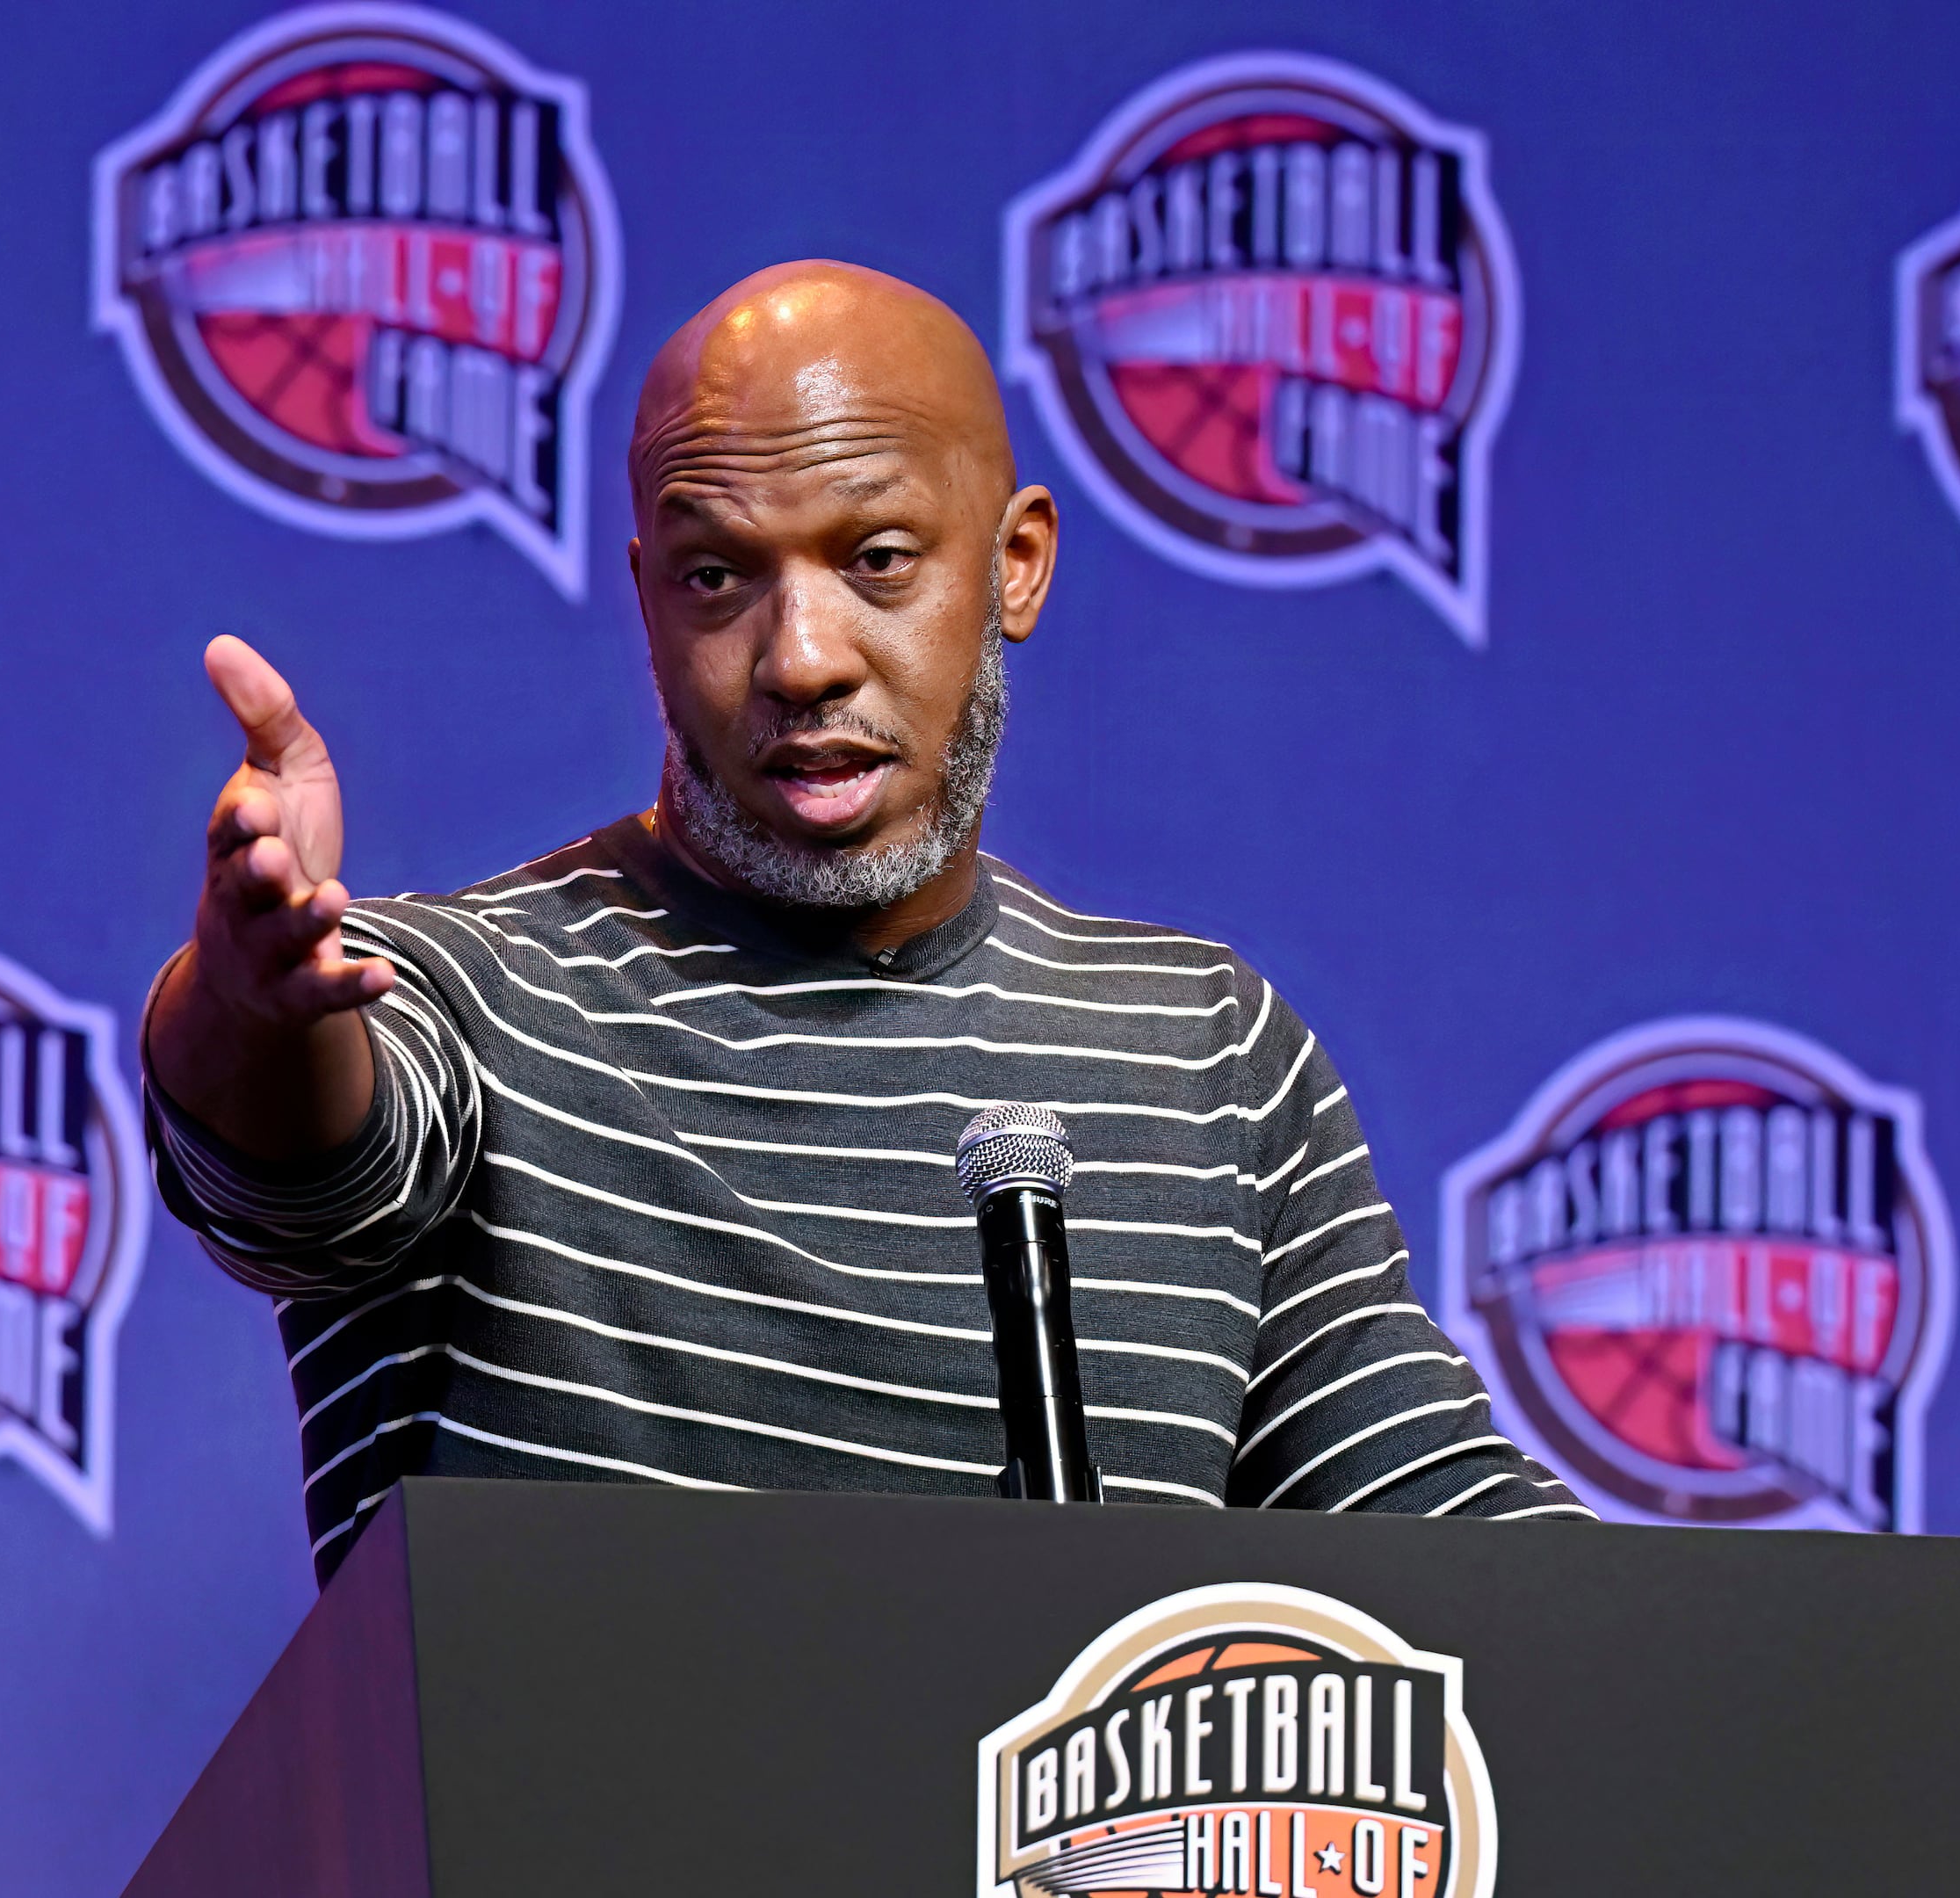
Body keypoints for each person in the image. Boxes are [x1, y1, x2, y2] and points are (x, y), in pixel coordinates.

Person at [143, 261, 1588, 1576]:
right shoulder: (470, 995)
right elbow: (304, 1173)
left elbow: (1463, 1563)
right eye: (719, 576)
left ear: (1015, 564)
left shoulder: (1203, 1053)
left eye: (879, 560)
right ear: (646, 600)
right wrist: (249, 1000)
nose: (802, 659)